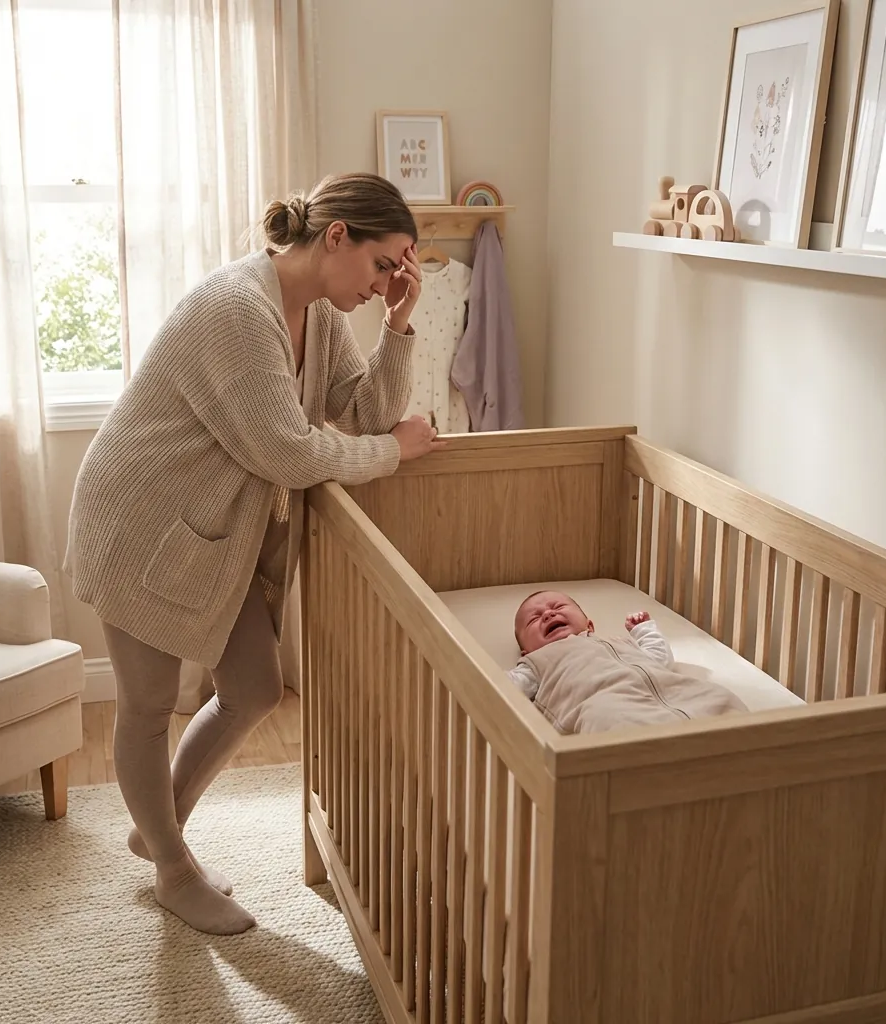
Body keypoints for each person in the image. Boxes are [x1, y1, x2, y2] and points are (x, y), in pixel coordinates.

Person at [64, 172, 445, 935]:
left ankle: (156, 825)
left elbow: (367, 413)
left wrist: (399, 327)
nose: (387, 283)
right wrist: (393, 455)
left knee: (254, 686)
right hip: (138, 525)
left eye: (400, 271)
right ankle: (173, 870)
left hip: (206, 533)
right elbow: (289, 454)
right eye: (384, 265)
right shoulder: (236, 312)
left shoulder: (320, 313)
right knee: (145, 707)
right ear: (336, 236)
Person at [507, 590, 747, 733]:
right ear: (525, 652)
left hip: (674, 692)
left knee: (718, 697)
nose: (548, 614)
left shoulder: (620, 642)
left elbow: (660, 659)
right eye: (534, 619)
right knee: (609, 720)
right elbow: (503, 688)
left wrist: (644, 630)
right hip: (611, 706)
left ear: (589, 625)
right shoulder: (536, 664)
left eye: (557, 607)